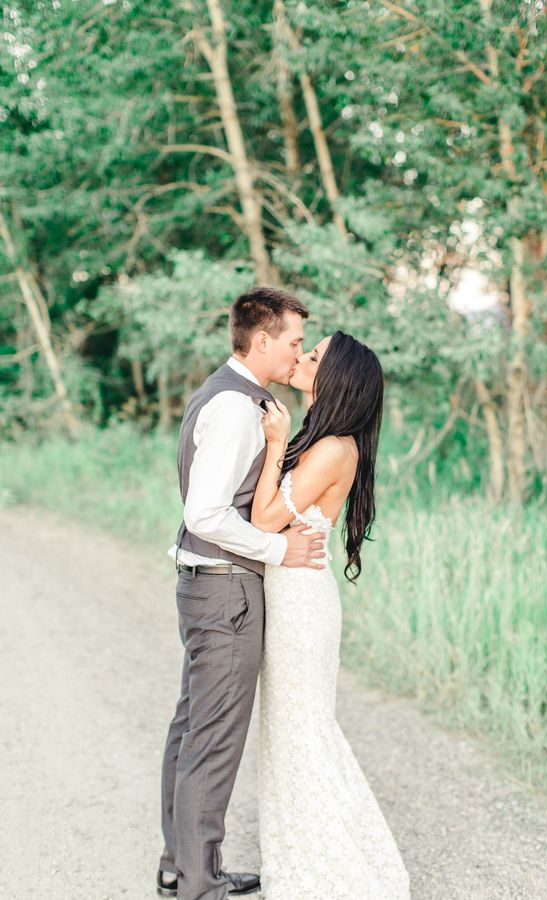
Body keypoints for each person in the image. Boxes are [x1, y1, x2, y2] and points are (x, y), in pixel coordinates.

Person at [157, 287, 327, 900]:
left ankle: (182, 866)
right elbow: (205, 513)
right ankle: (200, 882)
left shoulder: (232, 395)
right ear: (260, 341)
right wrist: (281, 551)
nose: (297, 354)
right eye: (293, 343)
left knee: (192, 728)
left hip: (209, 587)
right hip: (225, 591)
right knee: (213, 737)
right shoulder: (233, 408)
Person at [251, 331, 411, 899]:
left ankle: (333, 871)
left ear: (335, 377)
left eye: (314, 356)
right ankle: (302, 858)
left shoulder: (332, 447)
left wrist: (273, 446)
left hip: (301, 604)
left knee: (303, 735)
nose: (302, 357)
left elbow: (266, 519)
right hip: (293, 592)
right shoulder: (323, 439)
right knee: (291, 734)